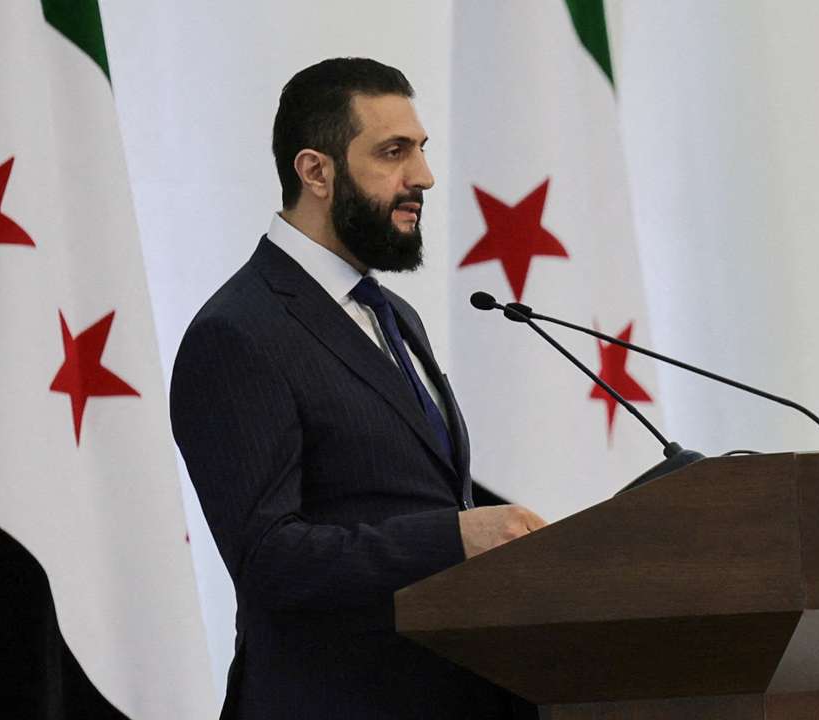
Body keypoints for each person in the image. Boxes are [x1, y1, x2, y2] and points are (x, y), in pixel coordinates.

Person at [170, 57, 546, 719]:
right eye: (393, 152)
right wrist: (457, 538)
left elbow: (406, 494)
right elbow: (269, 559)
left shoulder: (391, 315)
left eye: (421, 149)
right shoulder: (238, 332)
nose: (424, 177)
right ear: (315, 171)